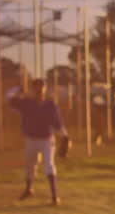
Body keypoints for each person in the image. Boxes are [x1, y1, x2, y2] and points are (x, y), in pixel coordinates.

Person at [6, 78, 69, 206]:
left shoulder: (50, 105)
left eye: (42, 87)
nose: (39, 89)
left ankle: (54, 196)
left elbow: (57, 123)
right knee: (29, 166)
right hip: (31, 140)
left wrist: (65, 136)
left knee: (49, 165)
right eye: (37, 87)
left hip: (47, 140)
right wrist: (18, 90)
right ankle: (28, 189)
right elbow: (8, 97)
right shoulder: (26, 103)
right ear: (33, 89)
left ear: (45, 89)